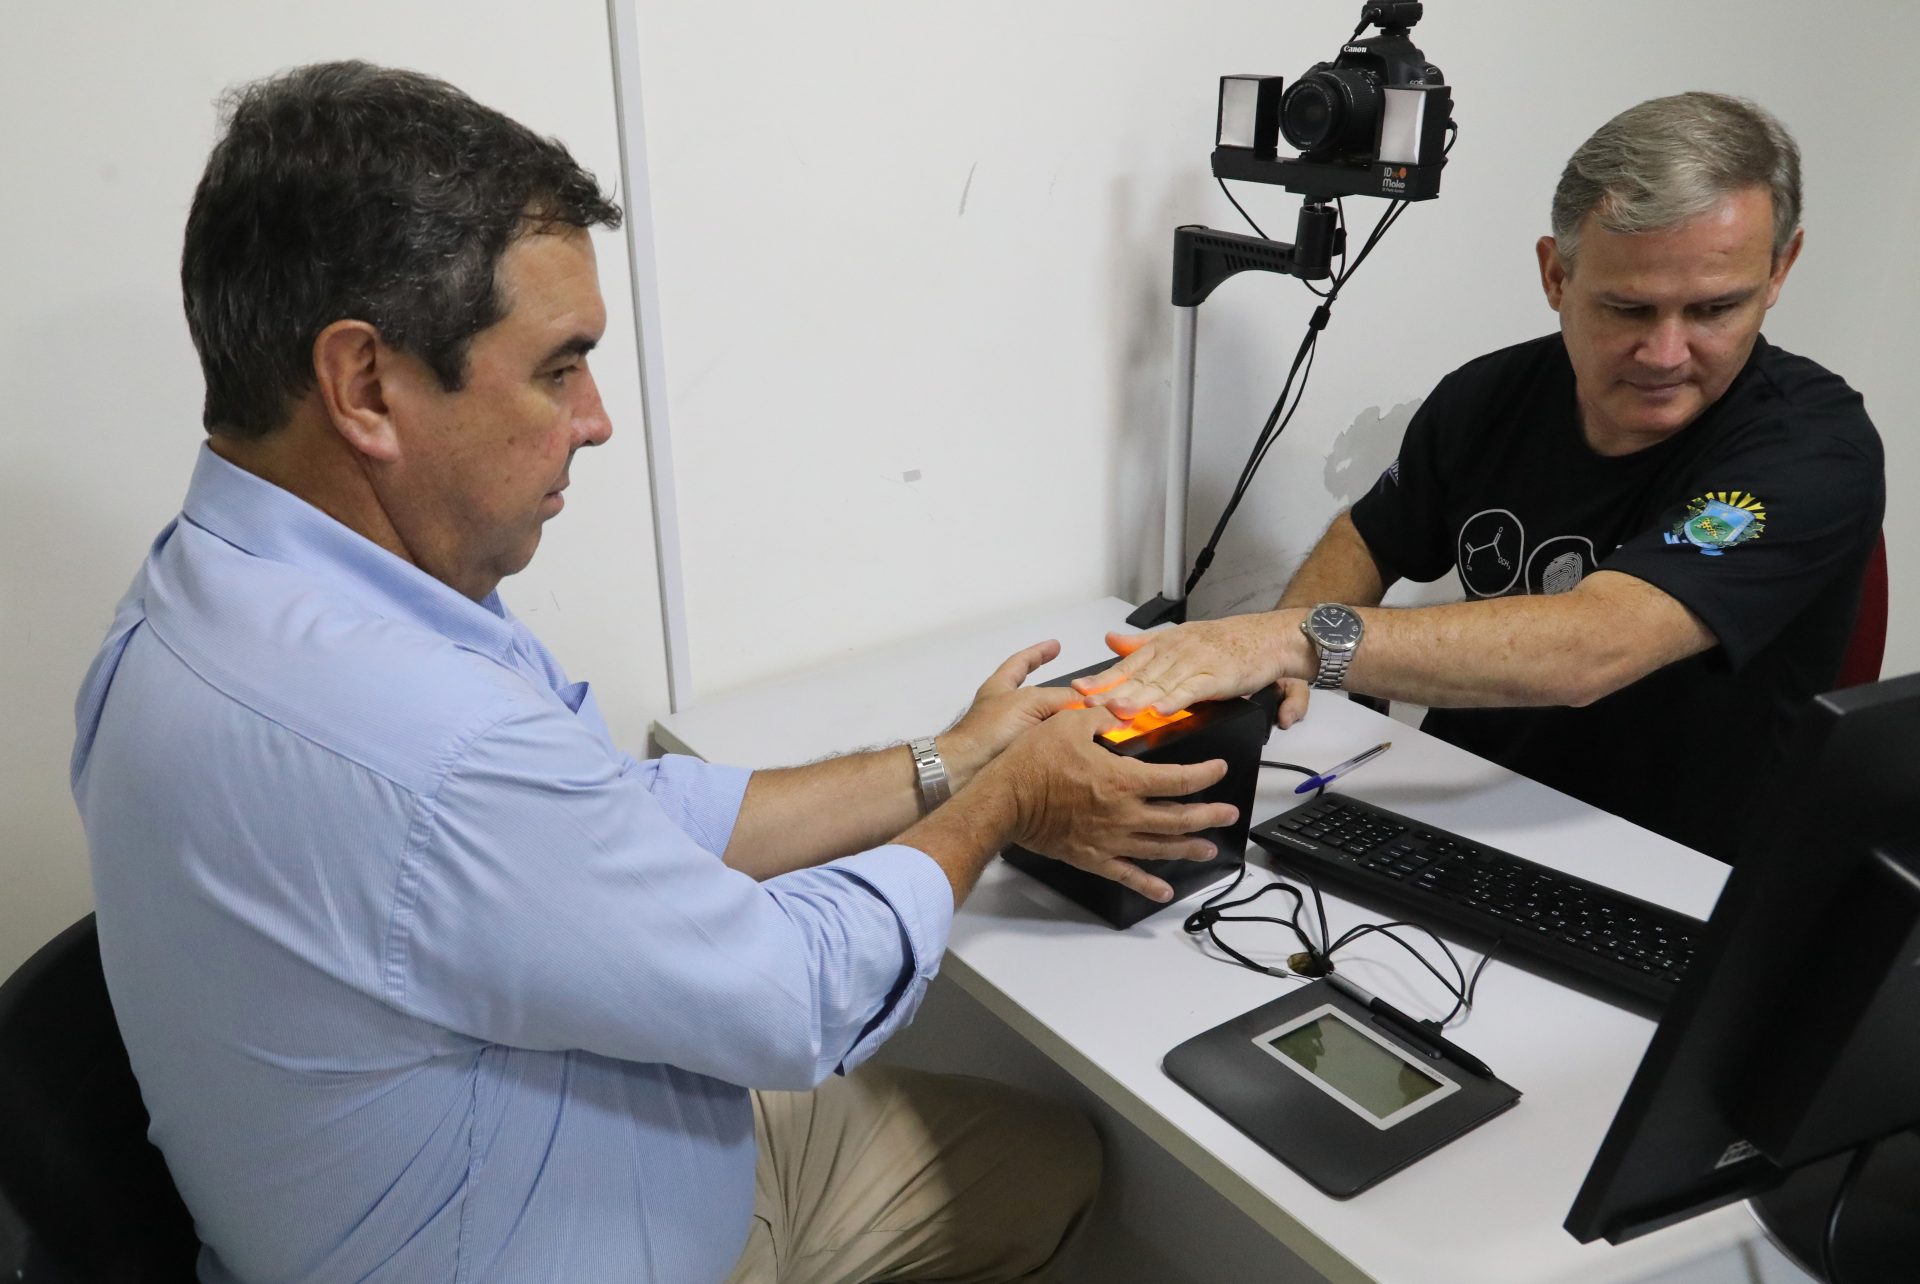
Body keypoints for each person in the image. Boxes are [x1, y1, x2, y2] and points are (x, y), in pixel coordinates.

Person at [70, 62, 1238, 1283]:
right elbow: (795, 997)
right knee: (1087, 1171)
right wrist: (1009, 802)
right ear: (366, 384)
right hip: (600, 1234)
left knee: (1051, 1161)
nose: (596, 419)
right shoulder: (426, 741)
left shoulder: (197, 599)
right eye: (557, 367)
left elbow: (616, 815)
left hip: (575, 1144)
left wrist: (952, 758)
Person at [1077, 92, 1884, 863]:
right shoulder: (1492, 395)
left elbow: (1595, 646)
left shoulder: (1814, 451)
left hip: (1672, 871)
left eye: (1713, 310)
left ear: (1780, 270)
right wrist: (1284, 668)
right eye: (1629, 309)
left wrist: (1291, 640)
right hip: (1459, 812)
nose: (1666, 354)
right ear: (1556, 277)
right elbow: (1370, 535)